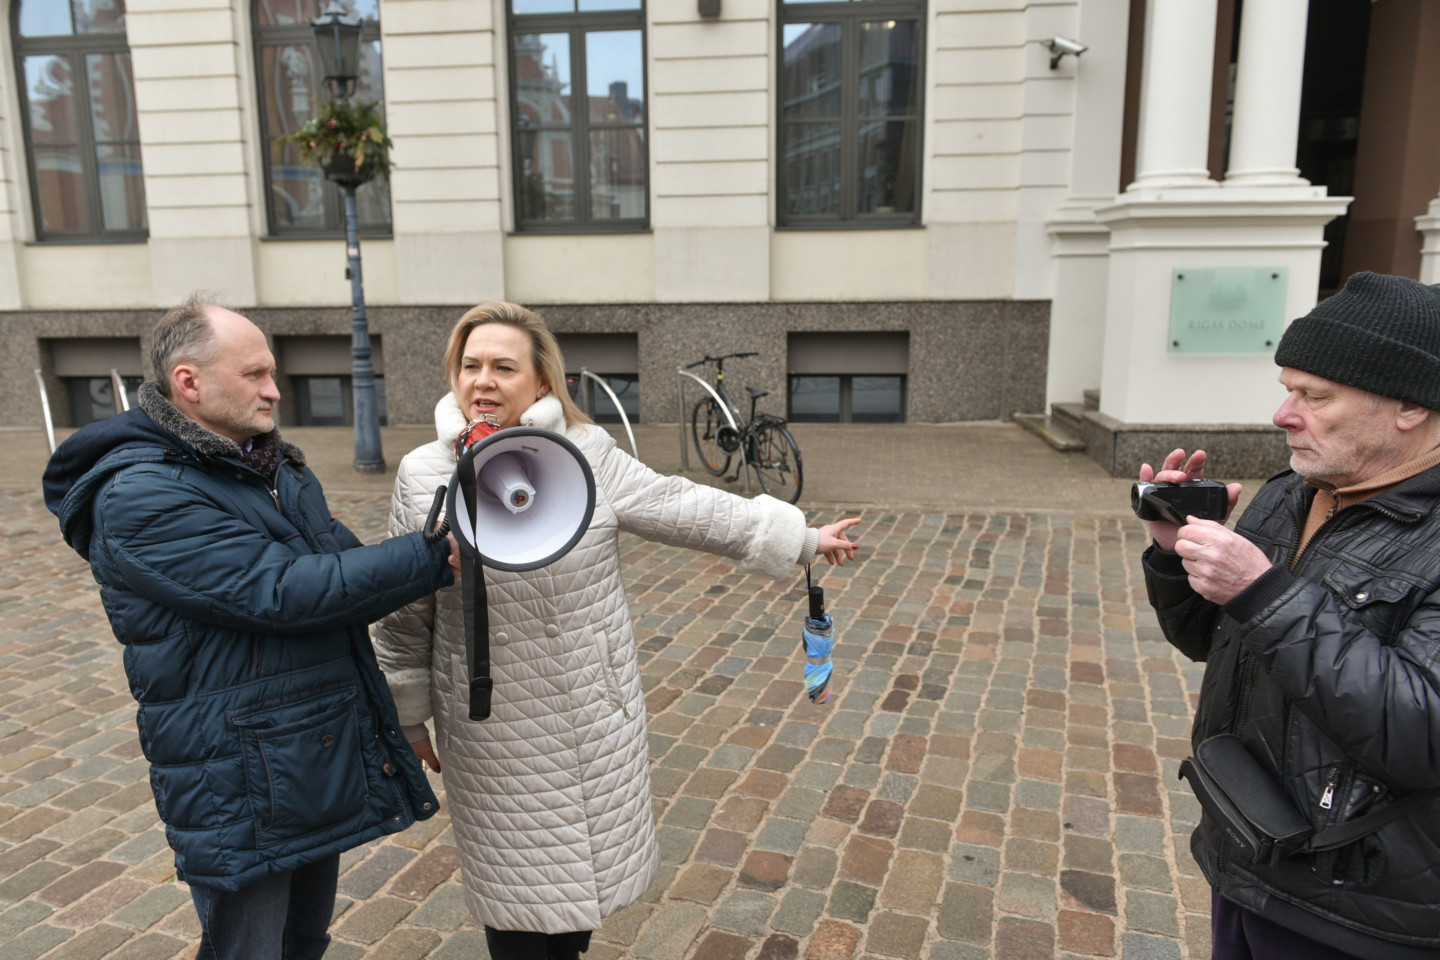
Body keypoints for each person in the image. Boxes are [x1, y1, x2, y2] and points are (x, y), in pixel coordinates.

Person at [372, 301, 860, 960]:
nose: (482, 380)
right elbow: (404, 611)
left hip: (591, 713)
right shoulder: (425, 472)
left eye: (503, 366)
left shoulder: (587, 453)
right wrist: (407, 714)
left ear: (543, 381)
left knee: (579, 902)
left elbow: (678, 504)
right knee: (518, 907)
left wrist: (799, 536)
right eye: (470, 365)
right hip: (492, 726)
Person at [42, 299, 460, 960]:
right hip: (236, 771)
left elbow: (339, 565)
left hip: (301, 751)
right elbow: (280, 592)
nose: (275, 389)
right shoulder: (139, 495)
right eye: (257, 374)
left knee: (303, 942)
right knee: (249, 951)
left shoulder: (267, 464)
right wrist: (433, 556)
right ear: (190, 383)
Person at [1139, 271, 1440, 960]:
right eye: (1287, 390)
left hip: (1358, 911)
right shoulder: (1292, 494)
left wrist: (1264, 591)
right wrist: (1174, 553)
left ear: (1409, 407)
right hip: (1249, 853)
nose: (1284, 415)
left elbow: (1423, 733)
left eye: (1315, 396)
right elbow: (1210, 641)